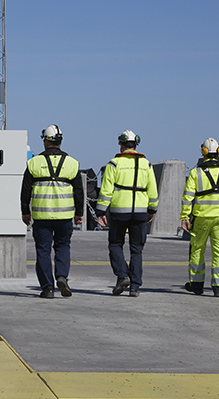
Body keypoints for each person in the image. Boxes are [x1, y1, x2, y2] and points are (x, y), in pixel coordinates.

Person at [20, 125, 83, 299]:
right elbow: (78, 190)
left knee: (43, 251)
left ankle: (47, 287)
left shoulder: (33, 163)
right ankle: (62, 276)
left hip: (42, 216)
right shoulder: (72, 163)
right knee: (63, 246)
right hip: (64, 216)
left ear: (46, 141)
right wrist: (79, 212)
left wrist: (25, 211)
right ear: (60, 141)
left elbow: (25, 190)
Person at [96, 130, 159, 297]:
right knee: (136, 250)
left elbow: (106, 190)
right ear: (136, 145)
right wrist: (151, 210)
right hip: (140, 213)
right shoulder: (146, 164)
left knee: (115, 245)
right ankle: (135, 287)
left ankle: (123, 276)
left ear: (121, 145)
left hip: (118, 212)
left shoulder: (114, 164)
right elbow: (153, 191)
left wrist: (101, 211)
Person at [180, 138, 219, 298]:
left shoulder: (195, 173)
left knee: (197, 250)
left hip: (201, 218)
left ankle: (197, 285)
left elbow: (187, 197)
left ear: (203, 152)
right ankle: (218, 287)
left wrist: (185, 216)